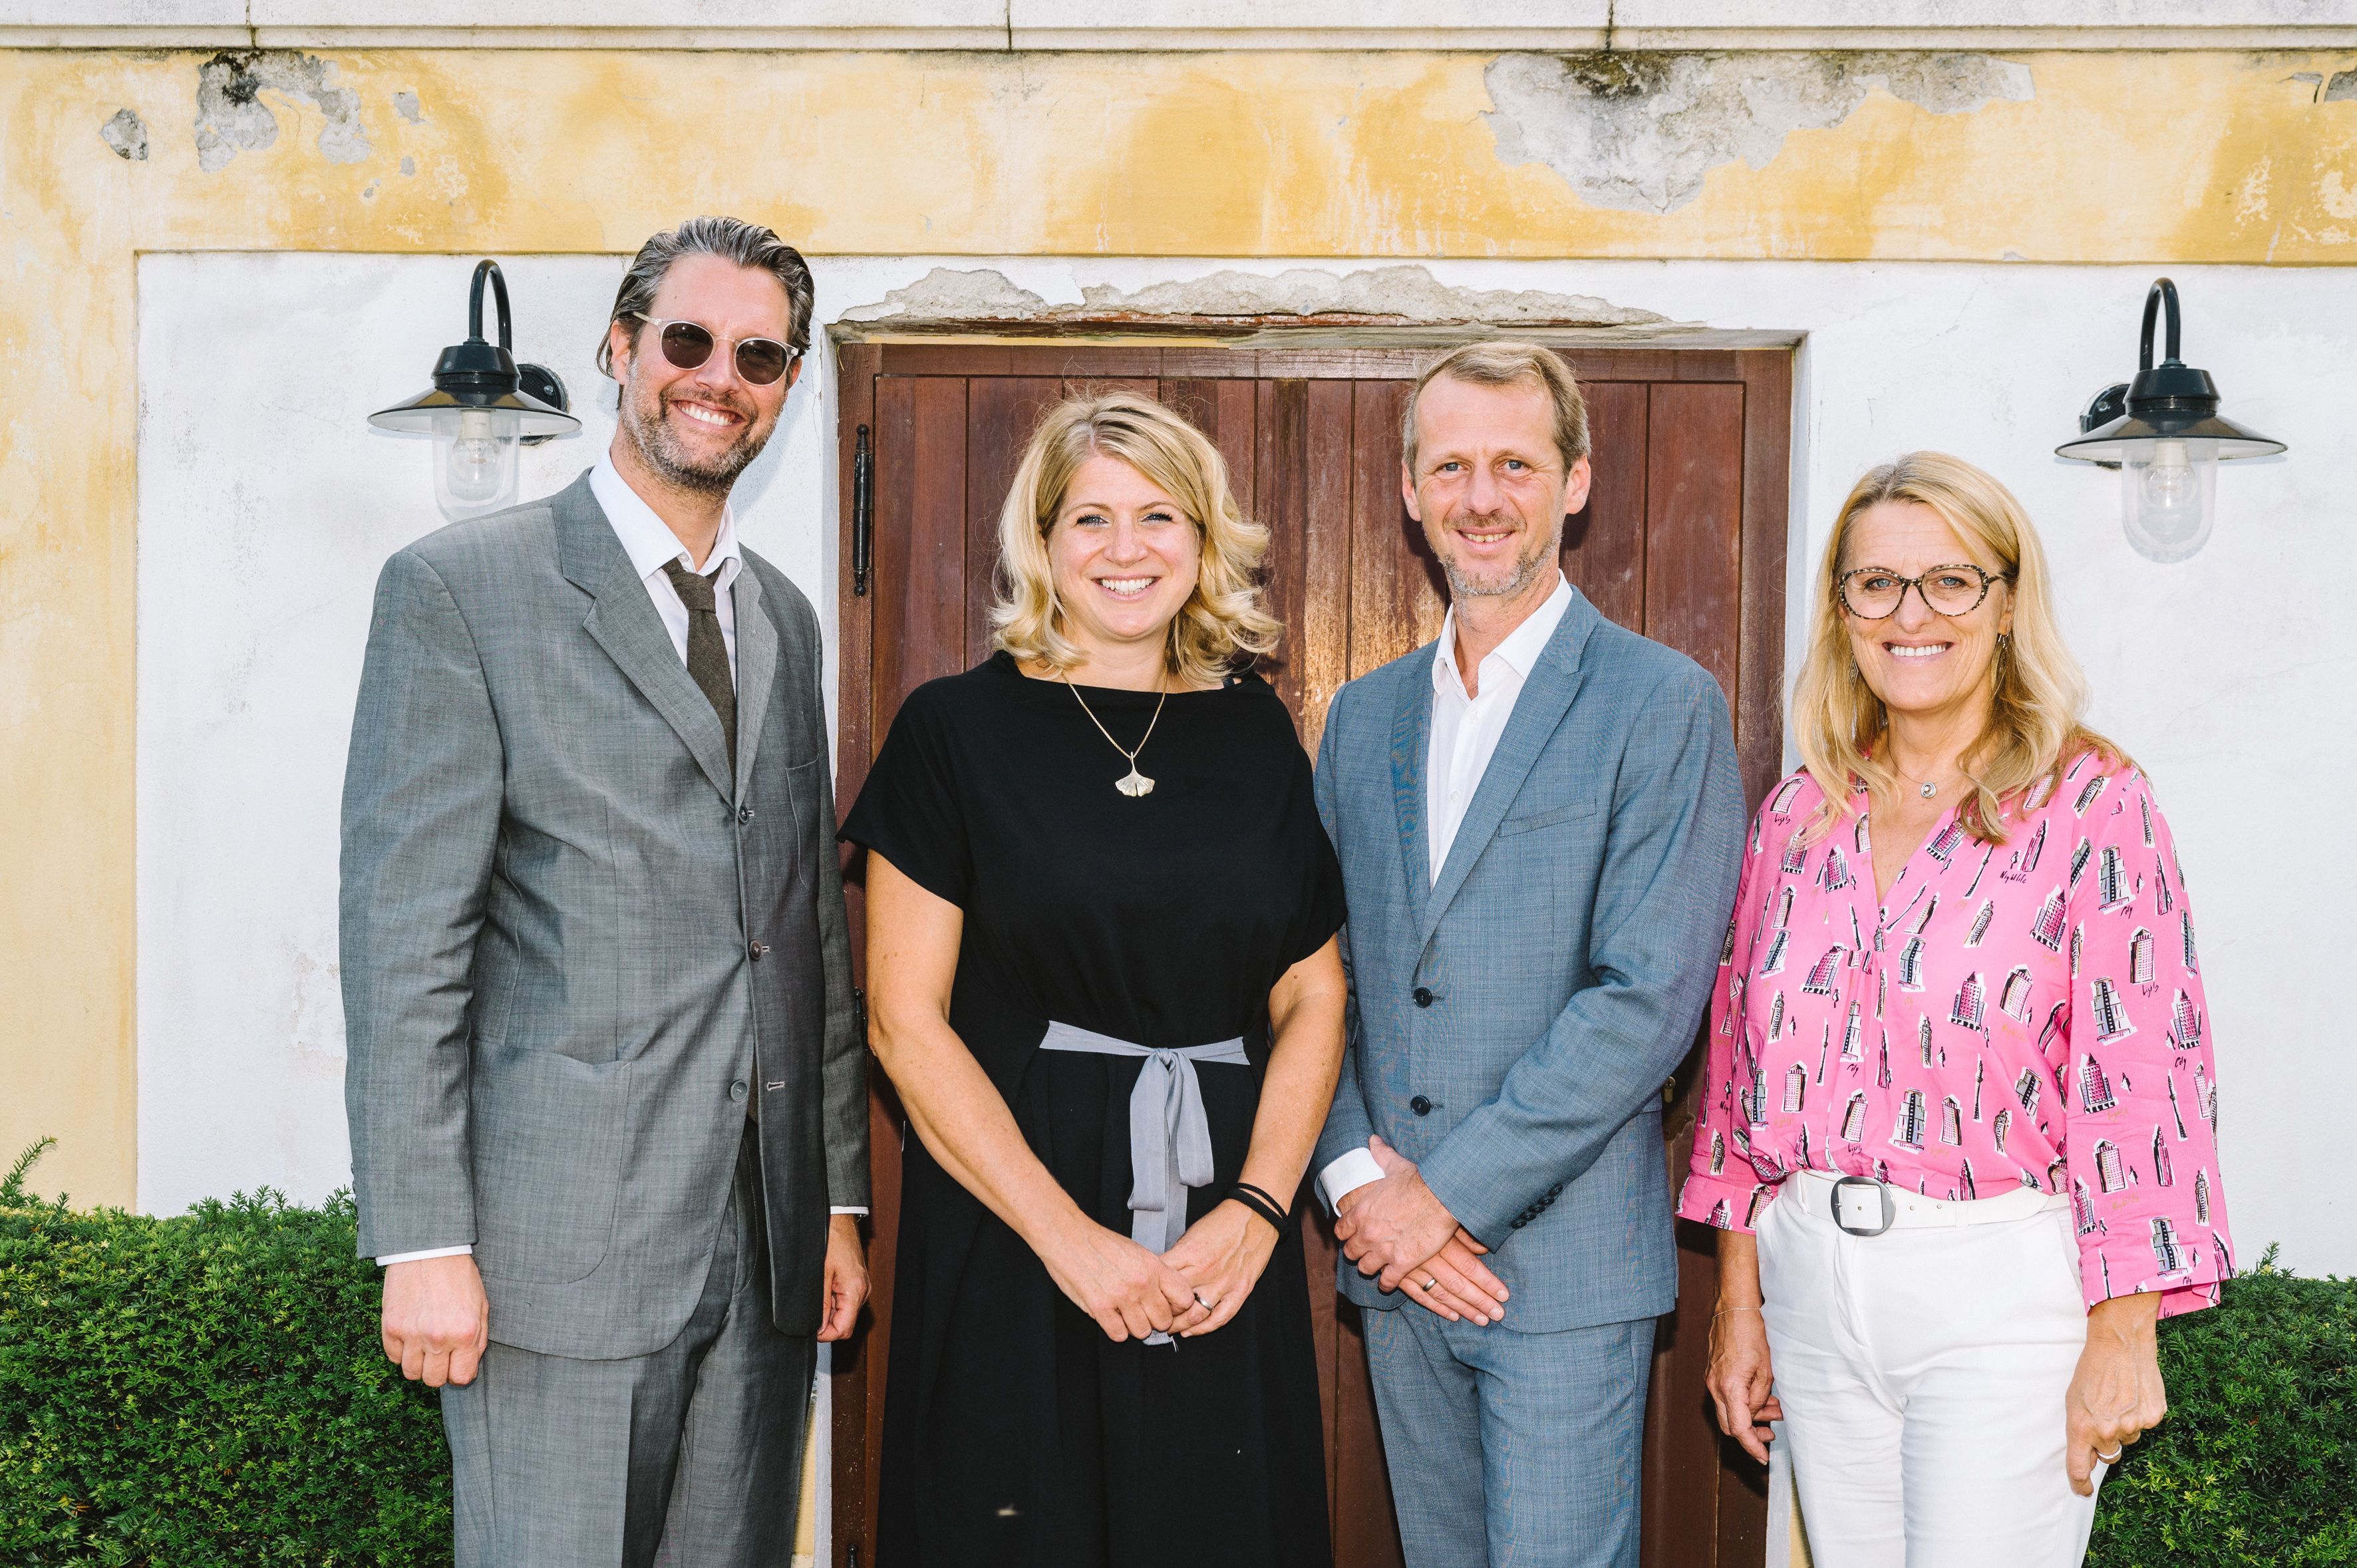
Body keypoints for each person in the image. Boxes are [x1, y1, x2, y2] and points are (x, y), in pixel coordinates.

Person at [341, 216, 871, 1568]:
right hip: (549, 1262)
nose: (719, 377)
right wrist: (420, 1239)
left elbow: (801, 932)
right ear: (620, 350)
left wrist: (834, 1206)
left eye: (760, 355)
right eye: (688, 341)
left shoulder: (787, 621)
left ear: (788, 384)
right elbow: (408, 945)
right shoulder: (462, 593)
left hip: (760, 1264)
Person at [1684, 452, 2235, 1566]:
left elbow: (2143, 1085)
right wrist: (1741, 1300)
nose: (1911, 613)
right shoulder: (1799, 814)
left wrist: (2124, 1331)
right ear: (1842, 611)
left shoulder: (2092, 803)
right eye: (1876, 584)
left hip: (1998, 1291)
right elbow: (1738, 1070)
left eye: (1950, 580)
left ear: (2005, 602)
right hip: (1811, 1282)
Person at [842, 392, 1348, 1567]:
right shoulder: (953, 731)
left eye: (1160, 515)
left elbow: (1311, 994)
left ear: (1206, 540)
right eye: (1092, 519)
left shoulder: (1255, 734)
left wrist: (1260, 1211)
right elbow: (902, 1021)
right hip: (1015, 1227)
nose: (1128, 549)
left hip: (1219, 1233)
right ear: (1043, 541)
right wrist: (1067, 1238)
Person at [1313, 342, 1747, 1568]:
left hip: (1557, 1273)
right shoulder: (1364, 716)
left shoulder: (1662, 702)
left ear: (1576, 482)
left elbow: (1646, 1001)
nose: (1482, 495)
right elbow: (1313, 980)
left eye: (1516, 462)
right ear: (1410, 490)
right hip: (1392, 1270)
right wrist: (1357, 1184)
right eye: (1451, 464)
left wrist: (1434, 1202)